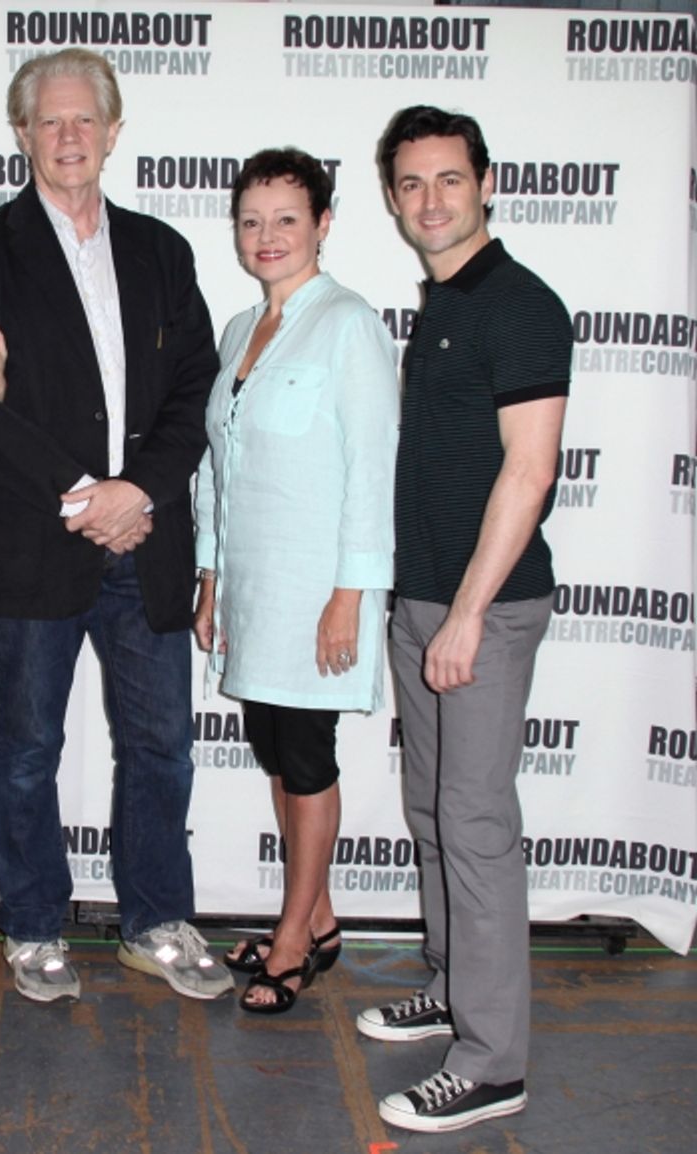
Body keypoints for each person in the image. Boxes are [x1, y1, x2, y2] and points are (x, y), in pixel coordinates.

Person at [0, 48, 231, 1004]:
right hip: (35, 543)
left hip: (146, 542)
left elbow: (195, 388)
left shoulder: (161, 250)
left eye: (84, 119)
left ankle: (156, 922)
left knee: (162, 747)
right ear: (22, 134)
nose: (69, 136)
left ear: (113, 131)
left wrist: (135, 492)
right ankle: (32, 925)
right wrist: (82, 495)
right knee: (28, 750)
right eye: (49, 121)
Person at [356, 106, 571, 1133]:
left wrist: (468, 616)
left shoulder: (520, 306)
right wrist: (422, 606)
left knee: (476, 826)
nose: (431, 200)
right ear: (393, 198)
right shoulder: (442, 303)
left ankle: (492, 1063)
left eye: (449, 179)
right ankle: (453, 986)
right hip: (426, 600)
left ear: (487, 183)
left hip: (484, 608)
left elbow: (529, 472)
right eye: (411, 183)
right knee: (435, 811)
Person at [193, 149, 398, 1014]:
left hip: (318, 591)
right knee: (277, 753)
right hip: (254, 587)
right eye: (252, 221)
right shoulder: (241, 330)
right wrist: (211, 575)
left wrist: (350, 595)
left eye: (286, 218)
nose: (267, 236)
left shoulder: (348, 324)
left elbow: (372, 470)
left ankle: (291, 941)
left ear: (323, 224)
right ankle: (316, 917)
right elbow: (219, 467)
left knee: (307, 758)